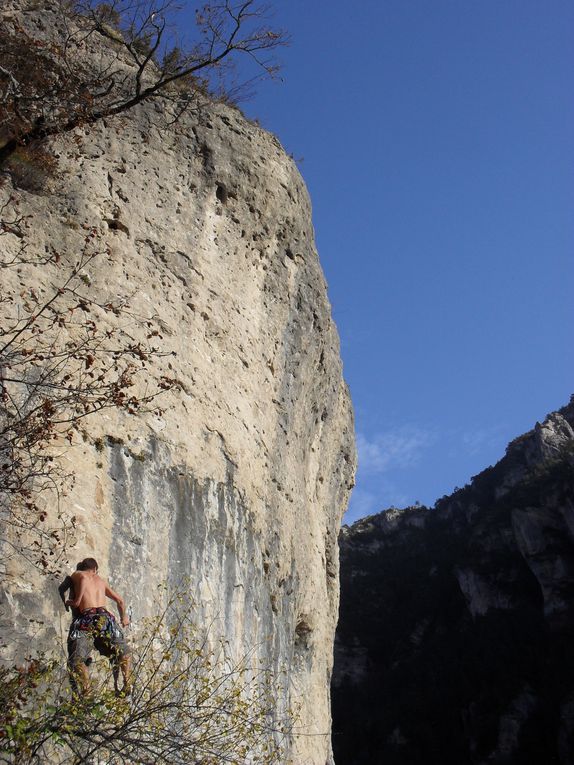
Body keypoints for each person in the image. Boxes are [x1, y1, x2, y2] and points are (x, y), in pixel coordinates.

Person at [64, 557, 131, 696]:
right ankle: (127, 682)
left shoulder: (78, 574)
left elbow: (79, 586)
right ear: (95, 569)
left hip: (86, 619)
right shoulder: (100, 580)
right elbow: (120, 600)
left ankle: (86, 690)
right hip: (105, 619)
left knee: (77, 659)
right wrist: (123, 617)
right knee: (123, 651)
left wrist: (73, 602)